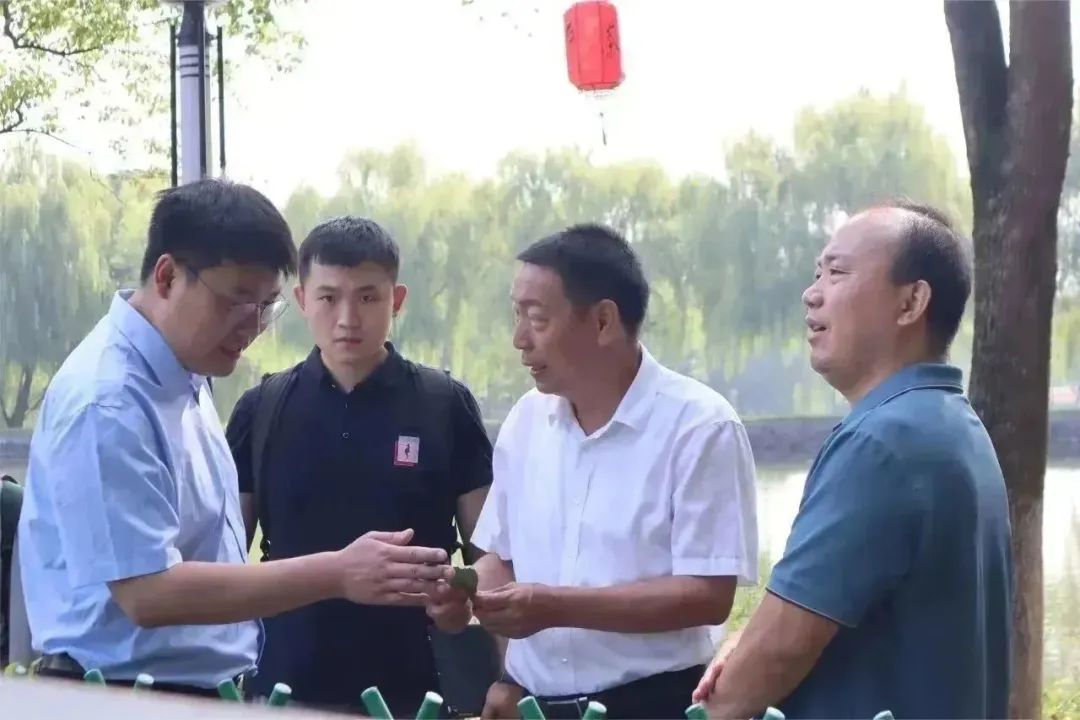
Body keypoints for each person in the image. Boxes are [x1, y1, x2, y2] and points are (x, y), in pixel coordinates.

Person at [17, 180, 452, 697]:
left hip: (189, 690)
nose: (253, 326)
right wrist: (337, 572)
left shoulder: (184, 375)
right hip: (123, 693)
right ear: (168, 276)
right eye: (237, 302)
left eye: (267, 306)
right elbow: (148, 592)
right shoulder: (108, 400)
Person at [693, 200, 1012, 719]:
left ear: (911, 302)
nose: (812, 293)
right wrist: (749, 640)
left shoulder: (883, 443)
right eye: (816, 273)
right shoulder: (951, 424)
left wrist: (715, 707)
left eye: (837, 273)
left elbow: (781, 648)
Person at [427, 223, 759, 720]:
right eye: (517, 315)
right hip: (532, 705)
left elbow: (707, 596)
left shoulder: (700, 427)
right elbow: (503, 560)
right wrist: (467, 590)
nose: (519, 340)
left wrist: (554, 606)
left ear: (604, 321)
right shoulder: (526, 420)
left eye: (536, 319)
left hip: (651, 705)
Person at [224, 216, 493, 715]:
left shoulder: (445, 405)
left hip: (416, 692)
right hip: (284, 688)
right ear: (302, 300)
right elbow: (225, 560)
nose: (347, 318)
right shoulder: (261, 410)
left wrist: (462, 601)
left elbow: (489, 557)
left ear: (397, 300)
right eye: (328, 298)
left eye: (368, 297)